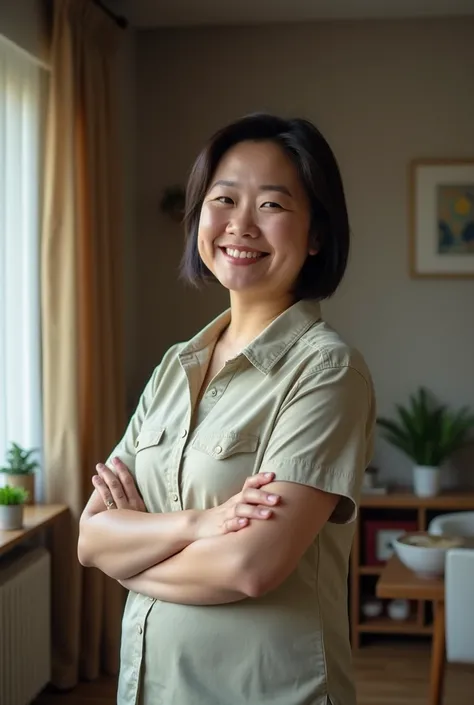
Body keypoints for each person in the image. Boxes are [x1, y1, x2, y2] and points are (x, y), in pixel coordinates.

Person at [78, 113, 376, 705]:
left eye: (272, 205)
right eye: (223, 199)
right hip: (151, 686)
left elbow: (249, 568)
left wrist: (131, 565)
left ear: (316, 233)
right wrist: (200, 524)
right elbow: (90, 538)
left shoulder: (327, 371)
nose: (240, 225)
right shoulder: (175, 366)